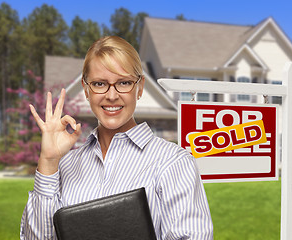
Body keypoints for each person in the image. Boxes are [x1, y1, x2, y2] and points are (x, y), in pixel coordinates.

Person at [20, 36, 213, 239]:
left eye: (124, 82)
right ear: (86, 89)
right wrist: (49, 163)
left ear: (139, 87)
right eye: (100, 83)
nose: (111, 95)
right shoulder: (66, 165)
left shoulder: (174, 162)